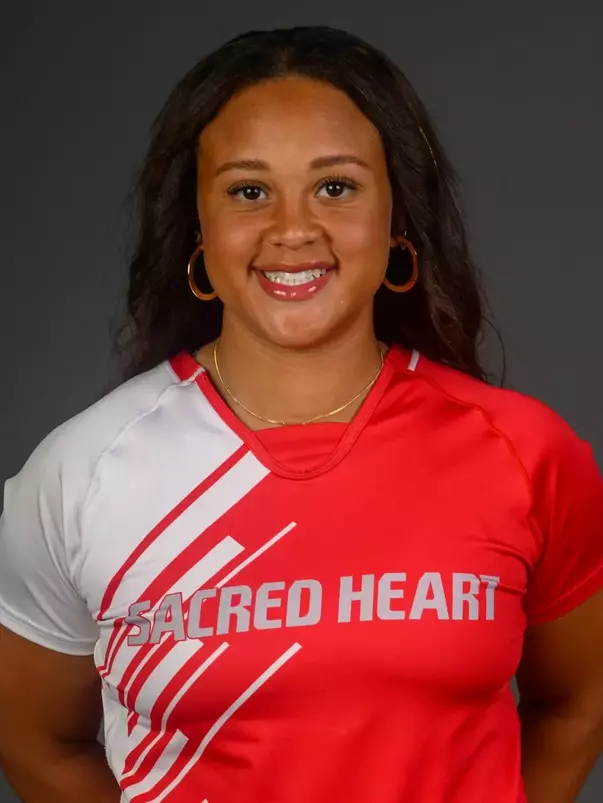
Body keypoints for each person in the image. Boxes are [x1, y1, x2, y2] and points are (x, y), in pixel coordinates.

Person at [0, 24, 602, 803]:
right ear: (198, 229)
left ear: (395, 222)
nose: (292, 229)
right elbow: (36, 740)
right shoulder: (79, 474)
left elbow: (575, 699)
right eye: (248, 190)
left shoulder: (524, 451)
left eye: (336, 186)